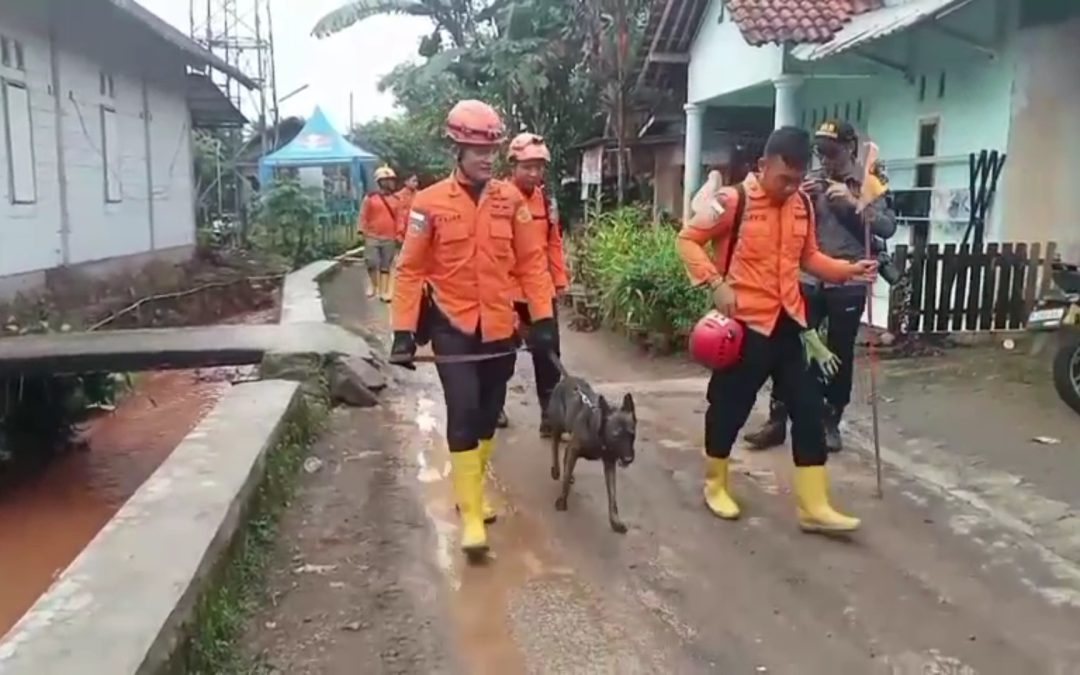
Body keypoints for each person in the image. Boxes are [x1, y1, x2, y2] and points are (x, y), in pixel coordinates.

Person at [676, 126, 877, 533]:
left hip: (790, 323)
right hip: (745, 327)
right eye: (783, 178)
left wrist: (846, 271)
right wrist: (716, 284)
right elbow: (688, 240)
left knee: (807, 408)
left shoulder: (801, 203)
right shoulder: (733, 200)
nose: (790, 187)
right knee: (729, 408)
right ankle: (716, 483)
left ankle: (814, 505)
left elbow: (811, 258)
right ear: (763, 165)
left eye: (798, 179)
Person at [389, 100, 556, 558]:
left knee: (487, 415)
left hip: (500, 328)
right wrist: (403, 331)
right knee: (462, 411)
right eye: (475, 149)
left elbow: (531, 264)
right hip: (452, 326)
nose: (485, 158)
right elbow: (408, 270)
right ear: (457, 149)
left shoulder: (511, 203)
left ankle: (475, 491)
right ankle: (470, 517)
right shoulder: (428, 203)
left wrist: (541, 318)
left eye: (490, 150)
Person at [743, 120, 897, 453]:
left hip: (848, 280)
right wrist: (801, 197)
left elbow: (887, 227)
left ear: (849, 148)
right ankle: (777, 419)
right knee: (790, 348)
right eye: (820, 152)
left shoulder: (870, 180)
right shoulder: (807, 178)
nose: (825, 160)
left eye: (832, 152)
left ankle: (830, 421)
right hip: (808, 278)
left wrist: (855, 205)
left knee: (838, 353)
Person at [497, 132, 569, 437]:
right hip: (507, 292)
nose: (534, 173)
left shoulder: (546, 201)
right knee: (500, 357)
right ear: (513, 165)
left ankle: (550, 419)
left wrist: (560, 282)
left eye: (539, 167)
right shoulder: (497, 198)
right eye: (527, 166)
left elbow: (554, 243)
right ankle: (493, 406)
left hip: (540, 292)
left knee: (549, 358)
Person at [359, 166, 400, 302]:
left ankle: (384, 290)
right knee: (371, 262)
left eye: (392, 180)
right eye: (388, 180)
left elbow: (400, 218)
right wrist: (361, 229)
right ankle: (373, 285)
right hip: (372, 235)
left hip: (389, 236)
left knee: (386, 265)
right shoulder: (370, 198)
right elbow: (363, 215)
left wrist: (400, 233)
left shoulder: (396, 199)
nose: (391, 183)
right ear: (381, 182)